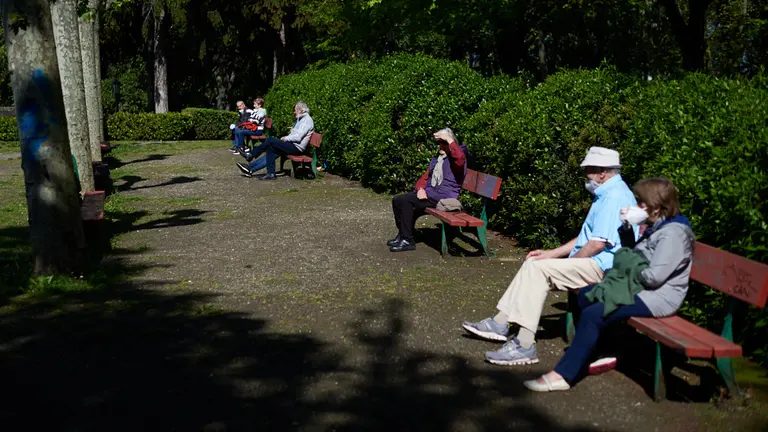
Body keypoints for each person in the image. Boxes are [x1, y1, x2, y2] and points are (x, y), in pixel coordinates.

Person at [462, 147, 637, 365]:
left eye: (588, 171)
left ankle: (524, 346)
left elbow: (596, 245)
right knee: (535, 261)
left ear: (602, 172)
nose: (585, 176)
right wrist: (551, 254)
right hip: (594, 262)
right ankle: (500, 322)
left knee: (539, 270)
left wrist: (564, 264)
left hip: (604, 269)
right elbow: (586, 238)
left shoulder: (615, 197)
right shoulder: (606, 193)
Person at [523, 177, 695, 391]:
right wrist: (626, 231)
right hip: (638, 288)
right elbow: (639, 255)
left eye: (641, 203)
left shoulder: (673, 234)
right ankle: (604, 348)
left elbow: (654, 277)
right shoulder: (658, 227)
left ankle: (563, 375)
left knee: (594, 314)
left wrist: (626, 265)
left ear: (657, 207)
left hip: (659, 297)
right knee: (586, 295)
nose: (637, 206)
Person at [387, 128, 467, 252]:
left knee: (406, 201)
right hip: (431, 194)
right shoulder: (438, 160)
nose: (440, 146)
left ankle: (408, 240)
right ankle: (405, 234)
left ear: (450, 143)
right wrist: (420, 189)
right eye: (438, 143)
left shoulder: (456, 158)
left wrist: (449, 139)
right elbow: (424, 178)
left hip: (444, 198)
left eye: (443, 143)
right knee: (397, 200)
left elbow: (460, 159)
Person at [236, 101, 314, 180]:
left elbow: (298, 138)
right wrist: (287, 137)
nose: (294, 112)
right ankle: (261, 171)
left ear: (300, 110)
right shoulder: (301, 119)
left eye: (295, 110)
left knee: (270, 140)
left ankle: (251, 155)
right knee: (271, 149)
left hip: (296, 148)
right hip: (292, 145)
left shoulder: (306, 121)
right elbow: (295, 135)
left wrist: (286, 138)